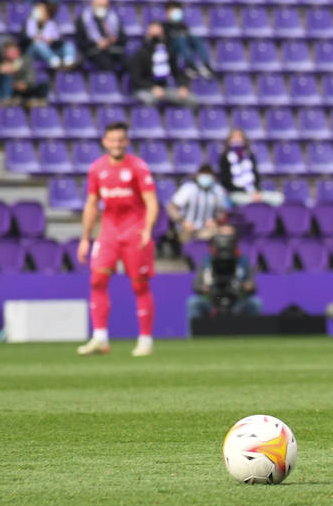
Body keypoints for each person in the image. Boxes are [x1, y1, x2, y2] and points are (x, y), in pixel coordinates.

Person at [77, 122, 158, 357]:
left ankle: (145, 341)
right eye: (112, 140)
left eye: (121, 140)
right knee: (96, 281)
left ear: (127, 142)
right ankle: (100, 338)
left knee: (139, 285)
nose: (116, 144)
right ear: (105, 141)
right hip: (108, 234)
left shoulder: (138, 167)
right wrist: (85, 238)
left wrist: (147, 229)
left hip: (135, 233)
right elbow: (92, 204)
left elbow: (151, 201)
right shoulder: (96, 169)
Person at [187, 230, 262, 321]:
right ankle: (195, 334)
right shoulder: (206, 261)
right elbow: (196, 285)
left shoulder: (244, 261)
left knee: (255, 302)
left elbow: (253, 284)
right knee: (193, 302)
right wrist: (203, 288)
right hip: (213, 298)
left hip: (237, 299)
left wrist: (248, 286)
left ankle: (254, 333)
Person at [130, 21, 193, 105]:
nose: (156, 39)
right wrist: (152, 87)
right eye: (154, 36)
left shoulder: (167, 52)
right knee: (150, 100)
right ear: (147, 35)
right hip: (144, 89)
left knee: (191, 100)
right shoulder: (140, 54)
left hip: (163, 89)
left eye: (159, 35)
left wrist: (183, 86)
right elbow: (136, 79)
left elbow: (177, 72)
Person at [217, 128, 284, 206]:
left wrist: (256, 192)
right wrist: (244, 192)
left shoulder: (249, 156)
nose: (237, 140)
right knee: (241, 200)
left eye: (239, 137)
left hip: (254, 192)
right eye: (234, 138)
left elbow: (256, 176)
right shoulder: (225, 158)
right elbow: (225, 182)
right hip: (237, 193)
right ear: (229, 140)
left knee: (278, 198)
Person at [166, 163, 227, 245]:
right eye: (203, 174)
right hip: (187, 229)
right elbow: (171, 208)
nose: (206, 178)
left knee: (225, 233)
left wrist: (215, 220)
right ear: (197, 176)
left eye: (208, 175)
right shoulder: (188, 189)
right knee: (187, 239)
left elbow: (223, 211)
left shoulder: (218, 190)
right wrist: (183, 222)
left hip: (207, 229)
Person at [76, 0, 127, 74]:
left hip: (113, 49)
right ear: (93, 4)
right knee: (107, 65)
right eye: (100, 5)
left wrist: (114, 40)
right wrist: (97, 43)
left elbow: (124, 38)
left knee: (129, 63)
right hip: (94, 51)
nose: (102, 8)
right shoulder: (84, 19)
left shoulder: (113, 18)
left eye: (105, 6)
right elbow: (80, 42)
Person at [162, 0, 213, 79]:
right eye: (172, 10)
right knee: (180, 39)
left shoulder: (183, 25)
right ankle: (189, 65)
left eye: (177, 10)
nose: (175, 12)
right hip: (170, 51)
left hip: (183, 48)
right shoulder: (164, 26)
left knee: (195, 37)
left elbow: (189, 40)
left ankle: (206, 64)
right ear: (167, 12)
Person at [22, 1, 77, 70]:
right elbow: (22, 41)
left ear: (47, 13)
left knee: (69, 44)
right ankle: (55, 62)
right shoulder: (28, 23)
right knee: (39, 44)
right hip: (33, 52)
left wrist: (52, 41)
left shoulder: (52, 24)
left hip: (50, 49)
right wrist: (33, 39)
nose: (37, 11)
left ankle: (69, 62)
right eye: (37, 9)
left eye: (40, 10)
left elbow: (59, 41)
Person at [0, 39, 48, 104]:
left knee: (43, 84)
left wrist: (26, 83)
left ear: (18, 51)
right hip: (12, 89)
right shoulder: (2, 63)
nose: (11, 53)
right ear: (5, 53)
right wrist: (14, 83)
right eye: (9, 51)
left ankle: (39, 102)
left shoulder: (26, 60)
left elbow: (31, 74)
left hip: (26, 86)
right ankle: (8, 100)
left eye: (13, 51)